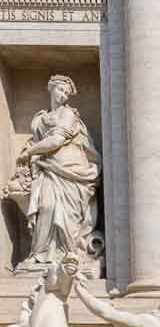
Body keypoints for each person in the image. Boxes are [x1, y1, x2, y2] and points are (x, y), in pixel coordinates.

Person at [11, 74, 102, 271]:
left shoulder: (68, 115)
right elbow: (38, 141)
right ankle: (40, 254)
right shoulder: (40, 118)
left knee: (68, 214)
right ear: (51, 88)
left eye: (67, 93)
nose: (63, 95)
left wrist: (30, 152)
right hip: (47, 168)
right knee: (46, 206)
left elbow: (56, 141)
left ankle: (70, 253)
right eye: (61, 90)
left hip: (71, 169)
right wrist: (32, 154)